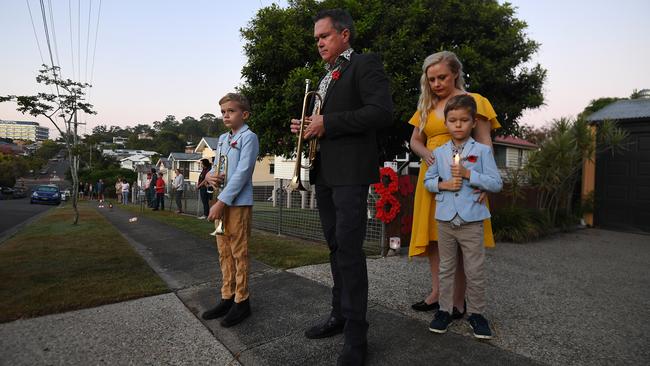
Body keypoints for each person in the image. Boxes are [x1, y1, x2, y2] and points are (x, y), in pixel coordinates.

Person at [289, 9, 392, 365]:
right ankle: (339, 315)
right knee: (335, 248)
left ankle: (357, 336)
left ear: (344, 35)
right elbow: (325, 123)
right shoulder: (327, 76)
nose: (318, 43)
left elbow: (381, 112)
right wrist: (308, 127)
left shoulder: (364, 64)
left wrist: (327, 123)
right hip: (326, 173)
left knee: (349, 250)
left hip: (350, 172)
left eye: (324, 36)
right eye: (316, 38)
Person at [407, 51, 501, 318]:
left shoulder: (475, 101)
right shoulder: (426, 106)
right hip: (434, 178)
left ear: (456, 73)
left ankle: (459, 302)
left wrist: (483, 180)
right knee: (437, 239)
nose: (436, 84)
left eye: (442, 77)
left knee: (461, 238)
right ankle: (438, 294)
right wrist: (425, 154)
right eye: (431, 79)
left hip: (465, 176)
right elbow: (415, 140)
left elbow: (485, 142)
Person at [423, 94, 502, 338]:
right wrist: (443, 185)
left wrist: (470, 175)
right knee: (446, 268)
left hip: (472, 221)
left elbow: (496, 182)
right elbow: (428, 180)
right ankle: (444, 310)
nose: (458, 125)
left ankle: (476, 314)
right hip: (445, 219)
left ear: (473, 123)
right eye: (453, 120)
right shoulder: (440, 152)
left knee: (474, 269)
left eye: (464, 120)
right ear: (446, 123)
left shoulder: (482, 151)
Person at [202, 93, 259, 328]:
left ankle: (242, 300)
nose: (226, 115)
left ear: (244, 114)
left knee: (238, 252)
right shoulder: (223, 138)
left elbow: (243, 172)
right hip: (221, 202)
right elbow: (216, 166)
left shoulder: (249, 137)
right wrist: (208, 176)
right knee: (223, 251)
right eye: (223, 111)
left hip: (236, 204)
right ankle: (227, 296)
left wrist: (221, 202)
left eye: (231, 111)